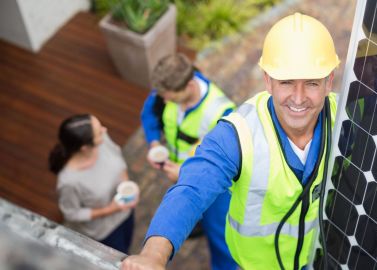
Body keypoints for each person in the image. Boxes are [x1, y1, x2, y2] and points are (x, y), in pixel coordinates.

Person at [123, 12, 340, 270]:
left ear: (330, 82)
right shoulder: (237, 134)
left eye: (313, 83)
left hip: (311, 258)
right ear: (268, 81)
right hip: (250, 265)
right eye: (287, 82)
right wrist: (153, 255)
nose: (299, 97)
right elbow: (191, 190)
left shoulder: (345, 118)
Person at [140, 53, 237, 270]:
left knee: (221, 237)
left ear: (190, 85)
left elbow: (225, 165)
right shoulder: (168, 88)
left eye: (170, 97)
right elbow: (149, 113)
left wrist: (186, 174)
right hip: (179, 171)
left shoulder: (222, 113)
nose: (164, 101)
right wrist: (154, 142)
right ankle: (196, 221)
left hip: (213, 188)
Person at [48, 114, 138, 254]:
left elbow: (117, 155)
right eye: (99, 132)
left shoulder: (102, 141)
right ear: (85, 148)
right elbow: (72, 214)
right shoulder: (69, 181)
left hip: (125, 212)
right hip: (105, 232)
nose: (105, 129)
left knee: (128, 245)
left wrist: (126, 185)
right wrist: (111, 209)